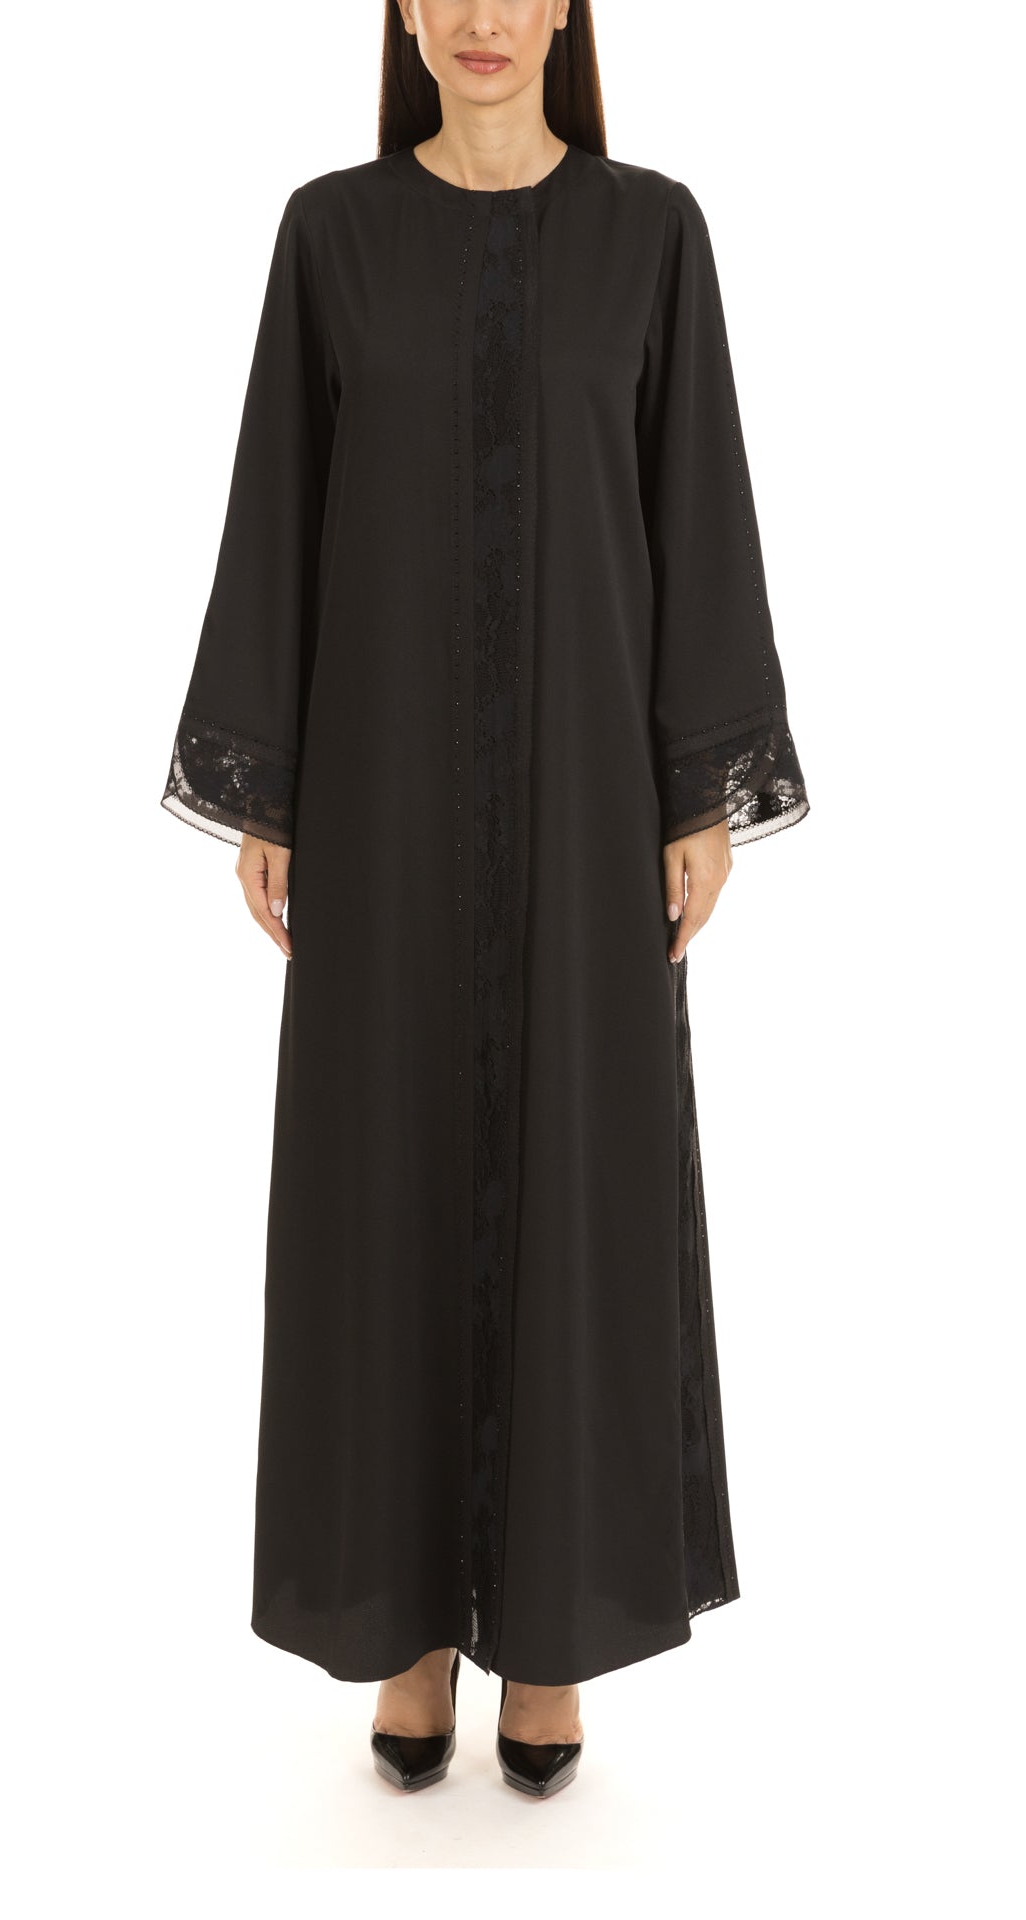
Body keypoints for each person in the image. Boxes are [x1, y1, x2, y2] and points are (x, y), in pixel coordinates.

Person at [160, 0, 810, 1801]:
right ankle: (406, 1623)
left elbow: (698, 507)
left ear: (568, 7)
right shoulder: (333, 234)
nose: (481, 17)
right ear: (401, 10)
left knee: (587, 1178)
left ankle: (554, 1635)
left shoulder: (653, 232)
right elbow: (280, 509)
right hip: (376, 795)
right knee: (379, 1172)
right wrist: (267, 784)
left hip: (592, 802)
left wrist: (697, 786)